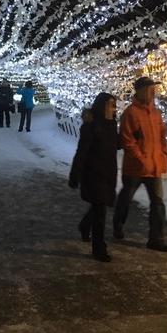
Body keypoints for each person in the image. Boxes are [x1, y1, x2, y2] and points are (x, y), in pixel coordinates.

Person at [113, 76, 167, 252]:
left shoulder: (156, 113)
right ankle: (118, 223)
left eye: (153, 88)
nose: (152, 92)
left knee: (158, 203)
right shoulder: (130, 113)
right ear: (139, 91)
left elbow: (161, 137)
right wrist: (141, 159)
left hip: (153, 167)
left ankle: (156, 239)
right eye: (148, 89)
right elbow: (127, 140)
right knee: (126, 198)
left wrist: (162, 156)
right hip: (135, 168)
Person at [68, 92, 119, 262]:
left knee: (100, 206)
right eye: (110, 104)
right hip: (93, 173)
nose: (114, 107)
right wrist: (75, 174)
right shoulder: (90, 126)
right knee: (100, 211)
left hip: (108, 172)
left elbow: (116, 144)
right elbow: (82, 151)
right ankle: (99, 248)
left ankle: (84, 225)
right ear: (102, 105)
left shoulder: (112, 124)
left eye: (114, 104)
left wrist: (133, 137)